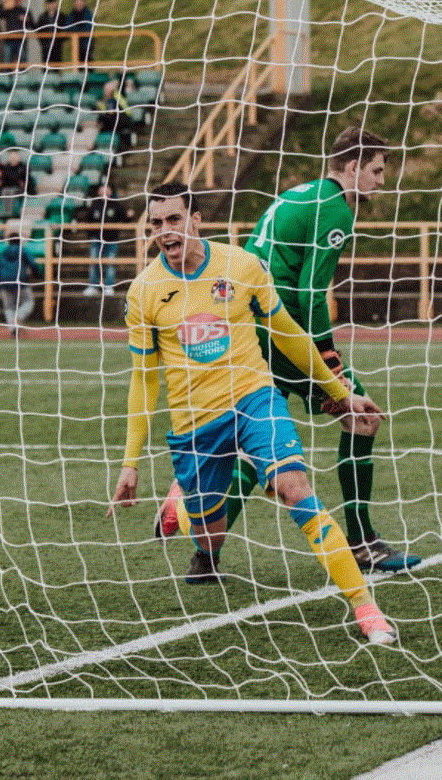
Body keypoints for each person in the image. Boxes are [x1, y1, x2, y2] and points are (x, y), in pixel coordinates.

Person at [107, 182, 397, 645]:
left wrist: (338, 391)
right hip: (195, 423)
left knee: (295, 488)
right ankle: (181, 504)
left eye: (174, 220)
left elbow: (287, 334)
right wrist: (130, 462)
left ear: (196, 219)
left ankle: (367, 609)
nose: (165, 231)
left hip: (254, 400)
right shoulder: (144, 291)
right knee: (209, 536)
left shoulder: (240, 266)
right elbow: (143, 381)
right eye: (156, 223)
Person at [155, 128, 420, 573]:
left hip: (248, 329)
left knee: (252, 446)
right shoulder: (336, 208)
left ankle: (205, 555)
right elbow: (311, 289)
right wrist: (327, 354)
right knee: (363, 417)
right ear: (353, 166)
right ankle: (362, 544)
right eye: (376, 170)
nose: (380, 180)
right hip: (283, 333)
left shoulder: (303, 192)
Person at [73, 182, 133, 296]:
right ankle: (93, 286)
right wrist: (91, 235)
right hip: (96, 240)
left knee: (110, 263)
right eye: (102, 189)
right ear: (98, 192)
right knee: (94, 262)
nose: (105, 192)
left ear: (111, 191)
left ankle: (109, 286)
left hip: (112, 239)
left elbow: (125, 218)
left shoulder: (116, 205)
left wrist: (130, 215)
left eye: (107, 189)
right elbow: (87, 220)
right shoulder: (94, 205)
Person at [0, 219, 41, 337]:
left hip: (4, 283)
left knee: (9, 306)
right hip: (20, 282)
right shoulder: (23, 250)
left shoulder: (3, 252)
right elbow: (33, 264)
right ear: (20, 241)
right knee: (29, 302)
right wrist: (37, 274)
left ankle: (13, 328)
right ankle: (18, 318)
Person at [96, 79, 134, 152]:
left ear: (110, 91)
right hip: (115, 120)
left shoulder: (113, 100)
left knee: (100, 123)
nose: (105, 91)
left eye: (106, 90)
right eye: (105, 90)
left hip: (121, 121)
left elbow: (110, 114)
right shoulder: (107, 99)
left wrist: (100, 118)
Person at [0, 0, 29, 67]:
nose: (17, 0)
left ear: (21, 0)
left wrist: (27, 19)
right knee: (7, 62)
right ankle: (8, 78)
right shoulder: (9, 11)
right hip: (9, 41)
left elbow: (32, 24)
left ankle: (23, 78)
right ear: (14, 0)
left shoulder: (25, 11)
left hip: (21, 41)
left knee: (22, 62)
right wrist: (2, 3)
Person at [63, 0, 94, 67]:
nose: (78, 5)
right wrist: (78, 30)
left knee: (88, 64)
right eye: (76, 3)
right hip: (76, 45)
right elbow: (67, 27)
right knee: (78, 65)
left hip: (87, 44)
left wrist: (74, 29)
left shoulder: (88, 14)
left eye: (80, 3)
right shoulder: (72, 14)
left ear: (83, 3)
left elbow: (87, 29)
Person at [32, 0, 62, 65]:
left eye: (53, 3)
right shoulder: (42, 17)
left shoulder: (61, 16)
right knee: (45, 66)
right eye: (50, 3)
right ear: (47, 5)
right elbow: (37, 29)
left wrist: (60, 39)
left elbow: (65, 29)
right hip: (46, 46)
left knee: (57, 66)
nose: (52, 5)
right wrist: (42, 41)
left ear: (56, 4)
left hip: (57, 46)